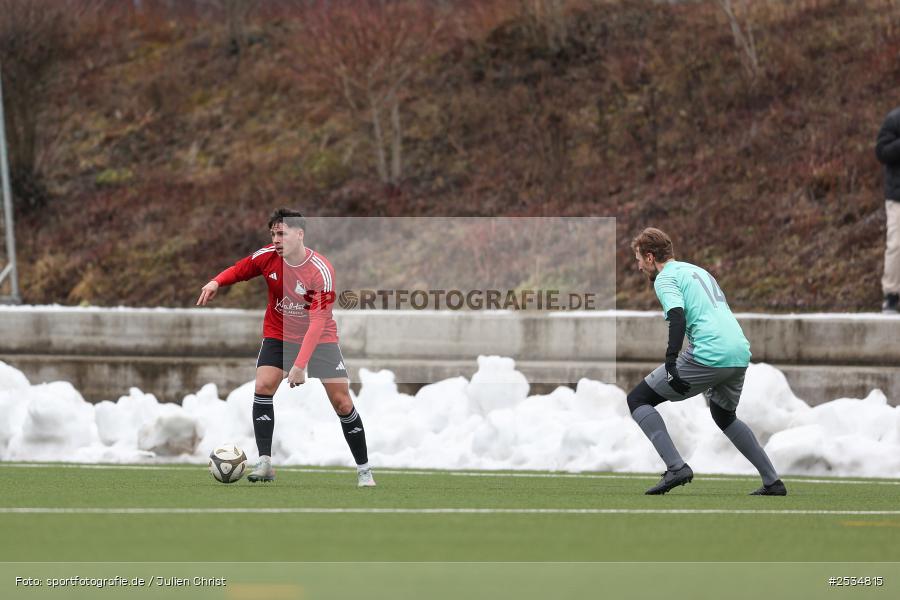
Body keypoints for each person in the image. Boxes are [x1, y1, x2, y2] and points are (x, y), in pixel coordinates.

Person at [197, 208, 375, 487]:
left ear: (299, 234)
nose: (276, 239)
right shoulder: (267, 257)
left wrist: (300, 365)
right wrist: (216, 281)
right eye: (273, 234)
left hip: (320, 339)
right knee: (263, 386)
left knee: (342, 402)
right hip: (279, 334)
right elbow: (240, 269)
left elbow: (317, 322)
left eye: (282, 233)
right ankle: (265, 462)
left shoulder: (321, 271)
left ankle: (364, 469)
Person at [627, 227, 785, 496]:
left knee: (638, 399)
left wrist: (670, 361)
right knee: (723, 415)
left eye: (640, 259)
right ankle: (773, 481)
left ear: (651, 257)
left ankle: (676, 467)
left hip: (710, 353)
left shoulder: (665, 278)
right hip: (739, 352)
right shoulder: (697, 271)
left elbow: (677, 316)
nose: (639, 266)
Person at [875, 107, 900, 312]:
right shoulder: (893, 119)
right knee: (896, 245)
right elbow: (881, 152)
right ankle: (891, 294)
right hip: (897, 198)